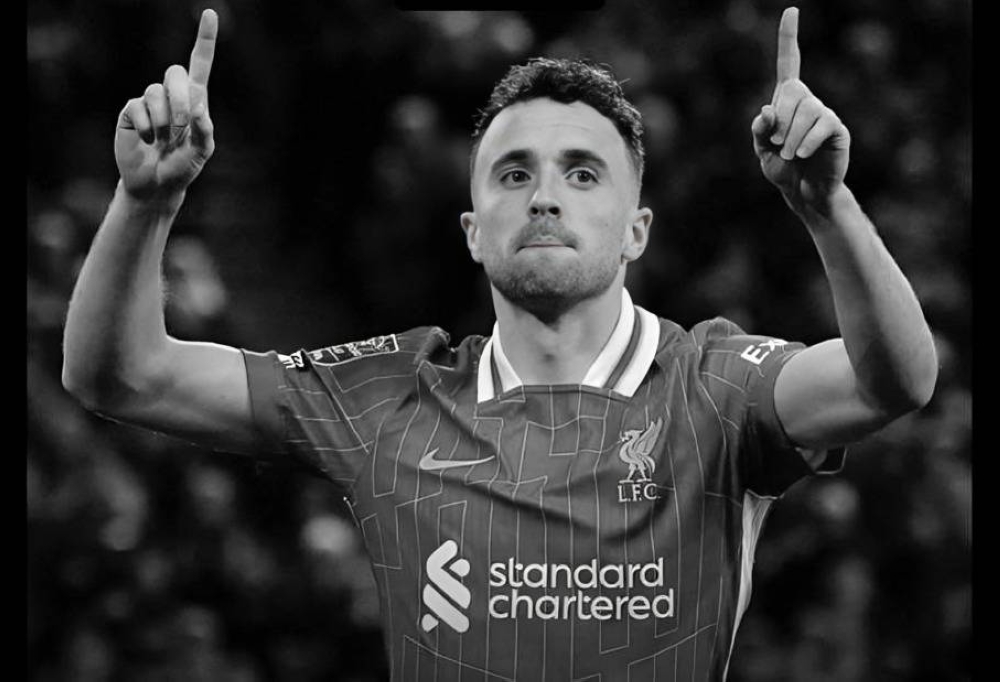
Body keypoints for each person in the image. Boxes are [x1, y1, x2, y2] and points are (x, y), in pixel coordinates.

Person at [62, 6, 938, 680]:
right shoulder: (388, 397)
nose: (545, 196)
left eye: (582, 173)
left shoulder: (717, 385)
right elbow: (121, 376)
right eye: (514, 174)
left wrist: (827, 207)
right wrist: (146, 203)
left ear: (636, 231)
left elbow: (893, 380)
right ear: (474, 231)